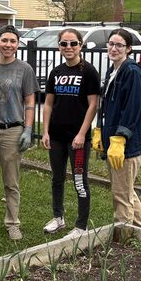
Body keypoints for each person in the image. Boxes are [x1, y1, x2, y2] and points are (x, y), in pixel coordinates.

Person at [0, 25, 37, 240]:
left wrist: (28, 129)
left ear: (17, 44)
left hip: (13, 130)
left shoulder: (25, 69)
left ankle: (12, 223)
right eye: (4, 40)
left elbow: (30, 101)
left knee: (12, 182)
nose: (8, 45)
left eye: (12, 41)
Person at [41, 28, 100, 239]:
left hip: (78, 139)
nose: (68, 48)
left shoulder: (89, 72)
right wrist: (45, 131)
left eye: (73, 44)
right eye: (64, 44)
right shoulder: (56, 72)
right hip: (56, 136)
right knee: (57, 178)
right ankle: (58, 217)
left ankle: (81, 226)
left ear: (80, 45)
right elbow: (48, 104)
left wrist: (82, 134)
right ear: (59, 46)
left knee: (79, 180)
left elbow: (93, 105)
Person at [93, 29, 141, 228]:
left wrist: (120, 139)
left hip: (129, 144)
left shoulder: (132, 72)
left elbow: (132, 109)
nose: (113, 48)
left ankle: (123, 235)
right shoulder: (114, 70)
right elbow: (109, 105)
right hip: (115, 142)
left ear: (128, 49)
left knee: (121, 195)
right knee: (126, 191)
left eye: (119, 45)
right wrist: (100, 130)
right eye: (111, 44)